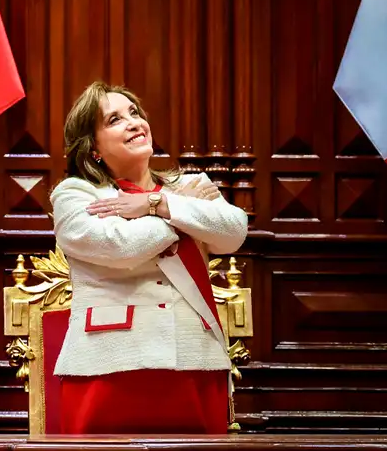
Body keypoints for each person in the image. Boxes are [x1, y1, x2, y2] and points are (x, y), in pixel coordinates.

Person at [49, 81, 248, 434]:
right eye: (114, 119)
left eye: (135, 113)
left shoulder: (182, 186)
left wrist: (159, 203)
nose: (133, 122)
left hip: (195, 358)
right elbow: (119, 246)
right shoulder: (75, 193)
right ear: (93, 146)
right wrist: (183, 215)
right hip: (109, 365)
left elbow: (233, 232)